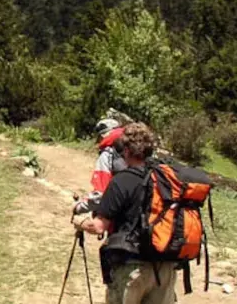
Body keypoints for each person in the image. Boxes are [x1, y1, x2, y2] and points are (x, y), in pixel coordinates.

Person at [75, 123, 178, 304]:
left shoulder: (121, 180)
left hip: (132, 266)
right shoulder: (165, 179)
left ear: (127, 150)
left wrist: (79, 221)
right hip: (165, 266)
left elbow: (98, 227)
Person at [75, 118, 127, 215]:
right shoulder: (135, 149)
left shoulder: (107, 154)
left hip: (118, 213)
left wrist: (79, 207)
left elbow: (100, 194)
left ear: (102, 136)